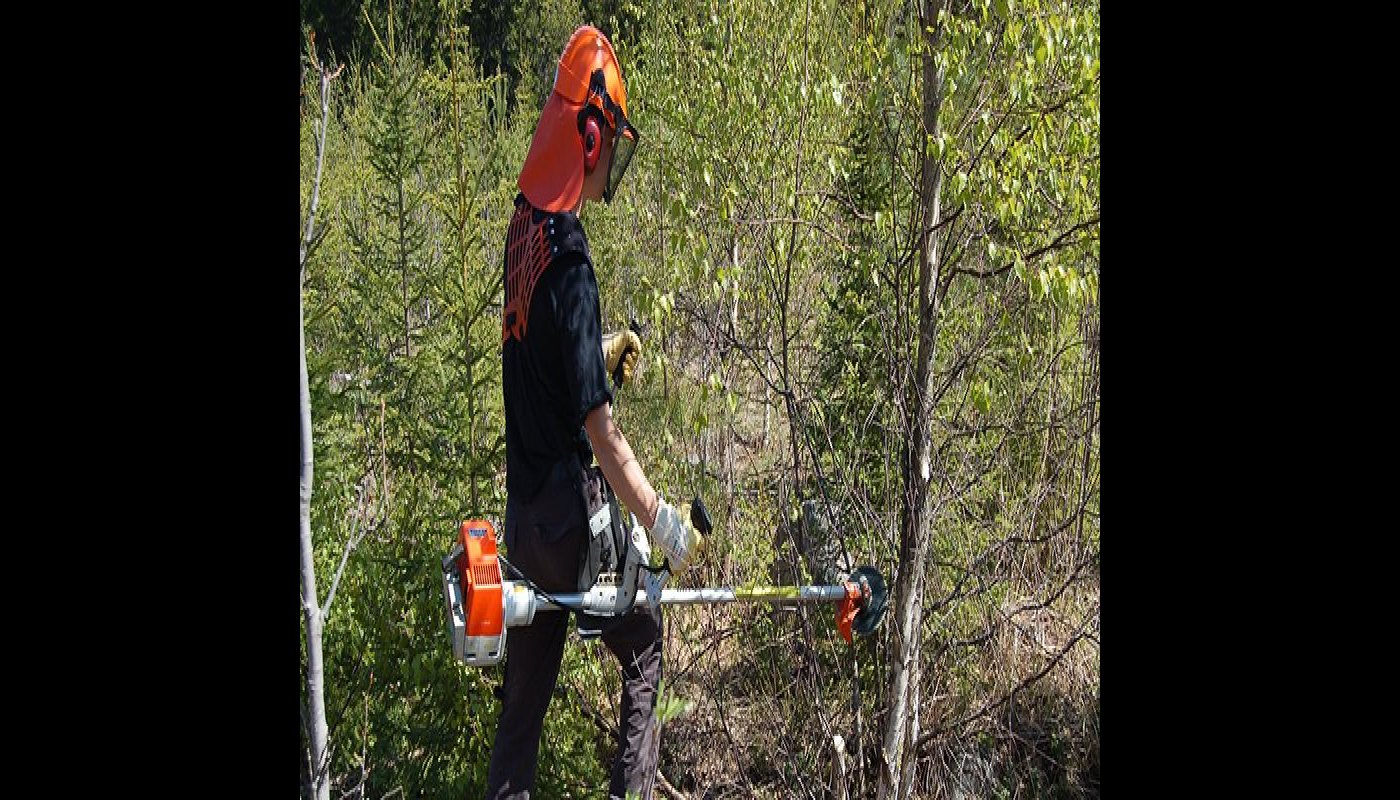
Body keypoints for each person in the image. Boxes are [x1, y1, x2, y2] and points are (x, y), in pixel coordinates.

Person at [487, 25, 703, 800]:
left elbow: (533, 352)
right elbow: (601, 436)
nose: (613, 157)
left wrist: (597, 353)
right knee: (644, 643)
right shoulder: (570, 258)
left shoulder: (523, 230)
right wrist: (660, 520)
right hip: (570, 516)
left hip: (524, 517)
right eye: (611, 138)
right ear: (588, 131)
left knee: (525, 703)